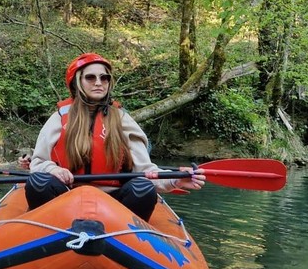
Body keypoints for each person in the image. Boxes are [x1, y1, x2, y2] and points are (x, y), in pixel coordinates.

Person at [26, 52, 205, 220]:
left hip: (113, 203)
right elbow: (39, 163)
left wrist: (176, 180)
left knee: (143, 188)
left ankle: (128, 236)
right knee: (39, 182)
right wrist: (54, 170)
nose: (98, 82)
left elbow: (145, 170)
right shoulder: (59, 118)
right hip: (67, 195)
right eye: (90, 77)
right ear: (77, 82)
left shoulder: (122, 119)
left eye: (104, 78)